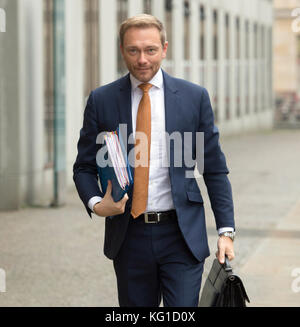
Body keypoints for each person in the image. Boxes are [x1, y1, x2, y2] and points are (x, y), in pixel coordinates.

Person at [73, 14, 235, 307]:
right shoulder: (102, 100)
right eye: (133, 50)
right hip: (129, 236)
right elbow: (83, 166)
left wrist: (226, 231)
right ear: (122, 50)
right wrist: (97, 203)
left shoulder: (193, 97)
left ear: (164, 48)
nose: (142, 59)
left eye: (150, 50)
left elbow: (214, 169)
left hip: (181, 236)